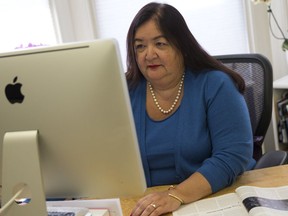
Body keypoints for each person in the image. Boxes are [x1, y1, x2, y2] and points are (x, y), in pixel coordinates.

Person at [126, 2, 255, 215]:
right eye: (140, 46)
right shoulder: (125, 92)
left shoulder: (215, 84)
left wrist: (176, 195)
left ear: (182, 46)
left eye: (160, 44)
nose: (149, 54)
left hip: (215, 199)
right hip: (147, 206)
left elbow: (233, 155)